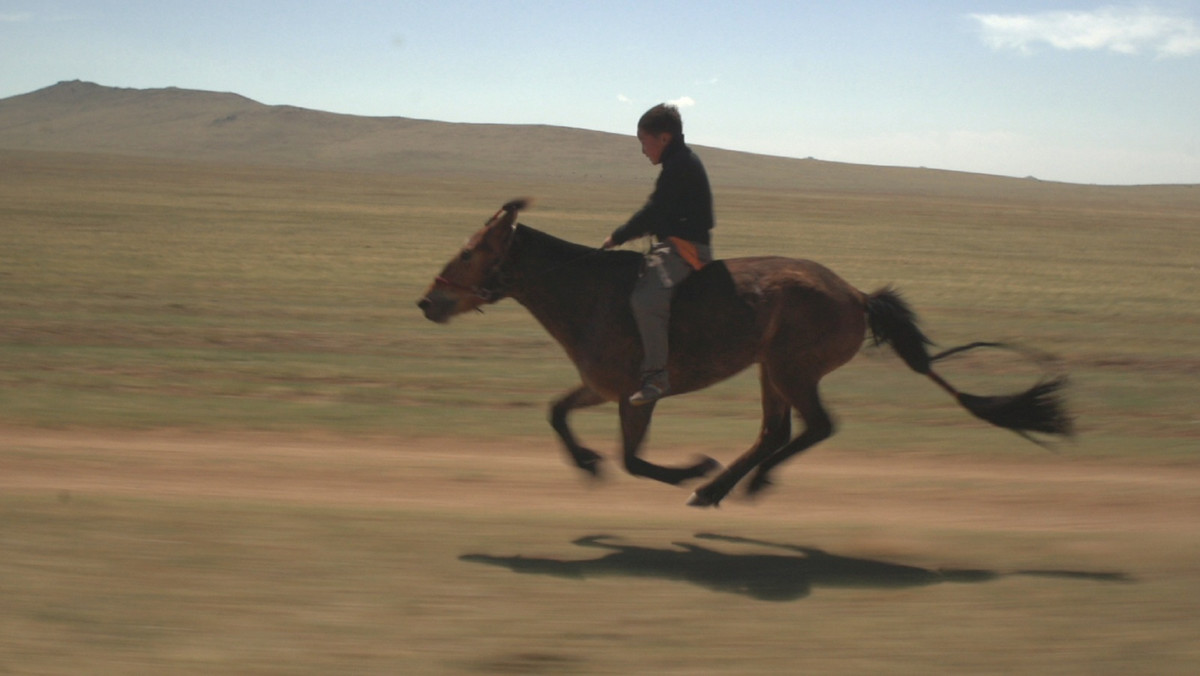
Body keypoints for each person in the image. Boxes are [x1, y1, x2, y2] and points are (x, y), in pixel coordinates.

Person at [602, 103, 715, 406]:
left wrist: (618, 236)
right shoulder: (678, 162)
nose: (642, 150)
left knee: (645, 299)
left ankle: (656, 377)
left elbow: (655, 211)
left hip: (686, 250)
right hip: (673, 244)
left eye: (643, 141)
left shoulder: (680, 166)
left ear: (664, 138)